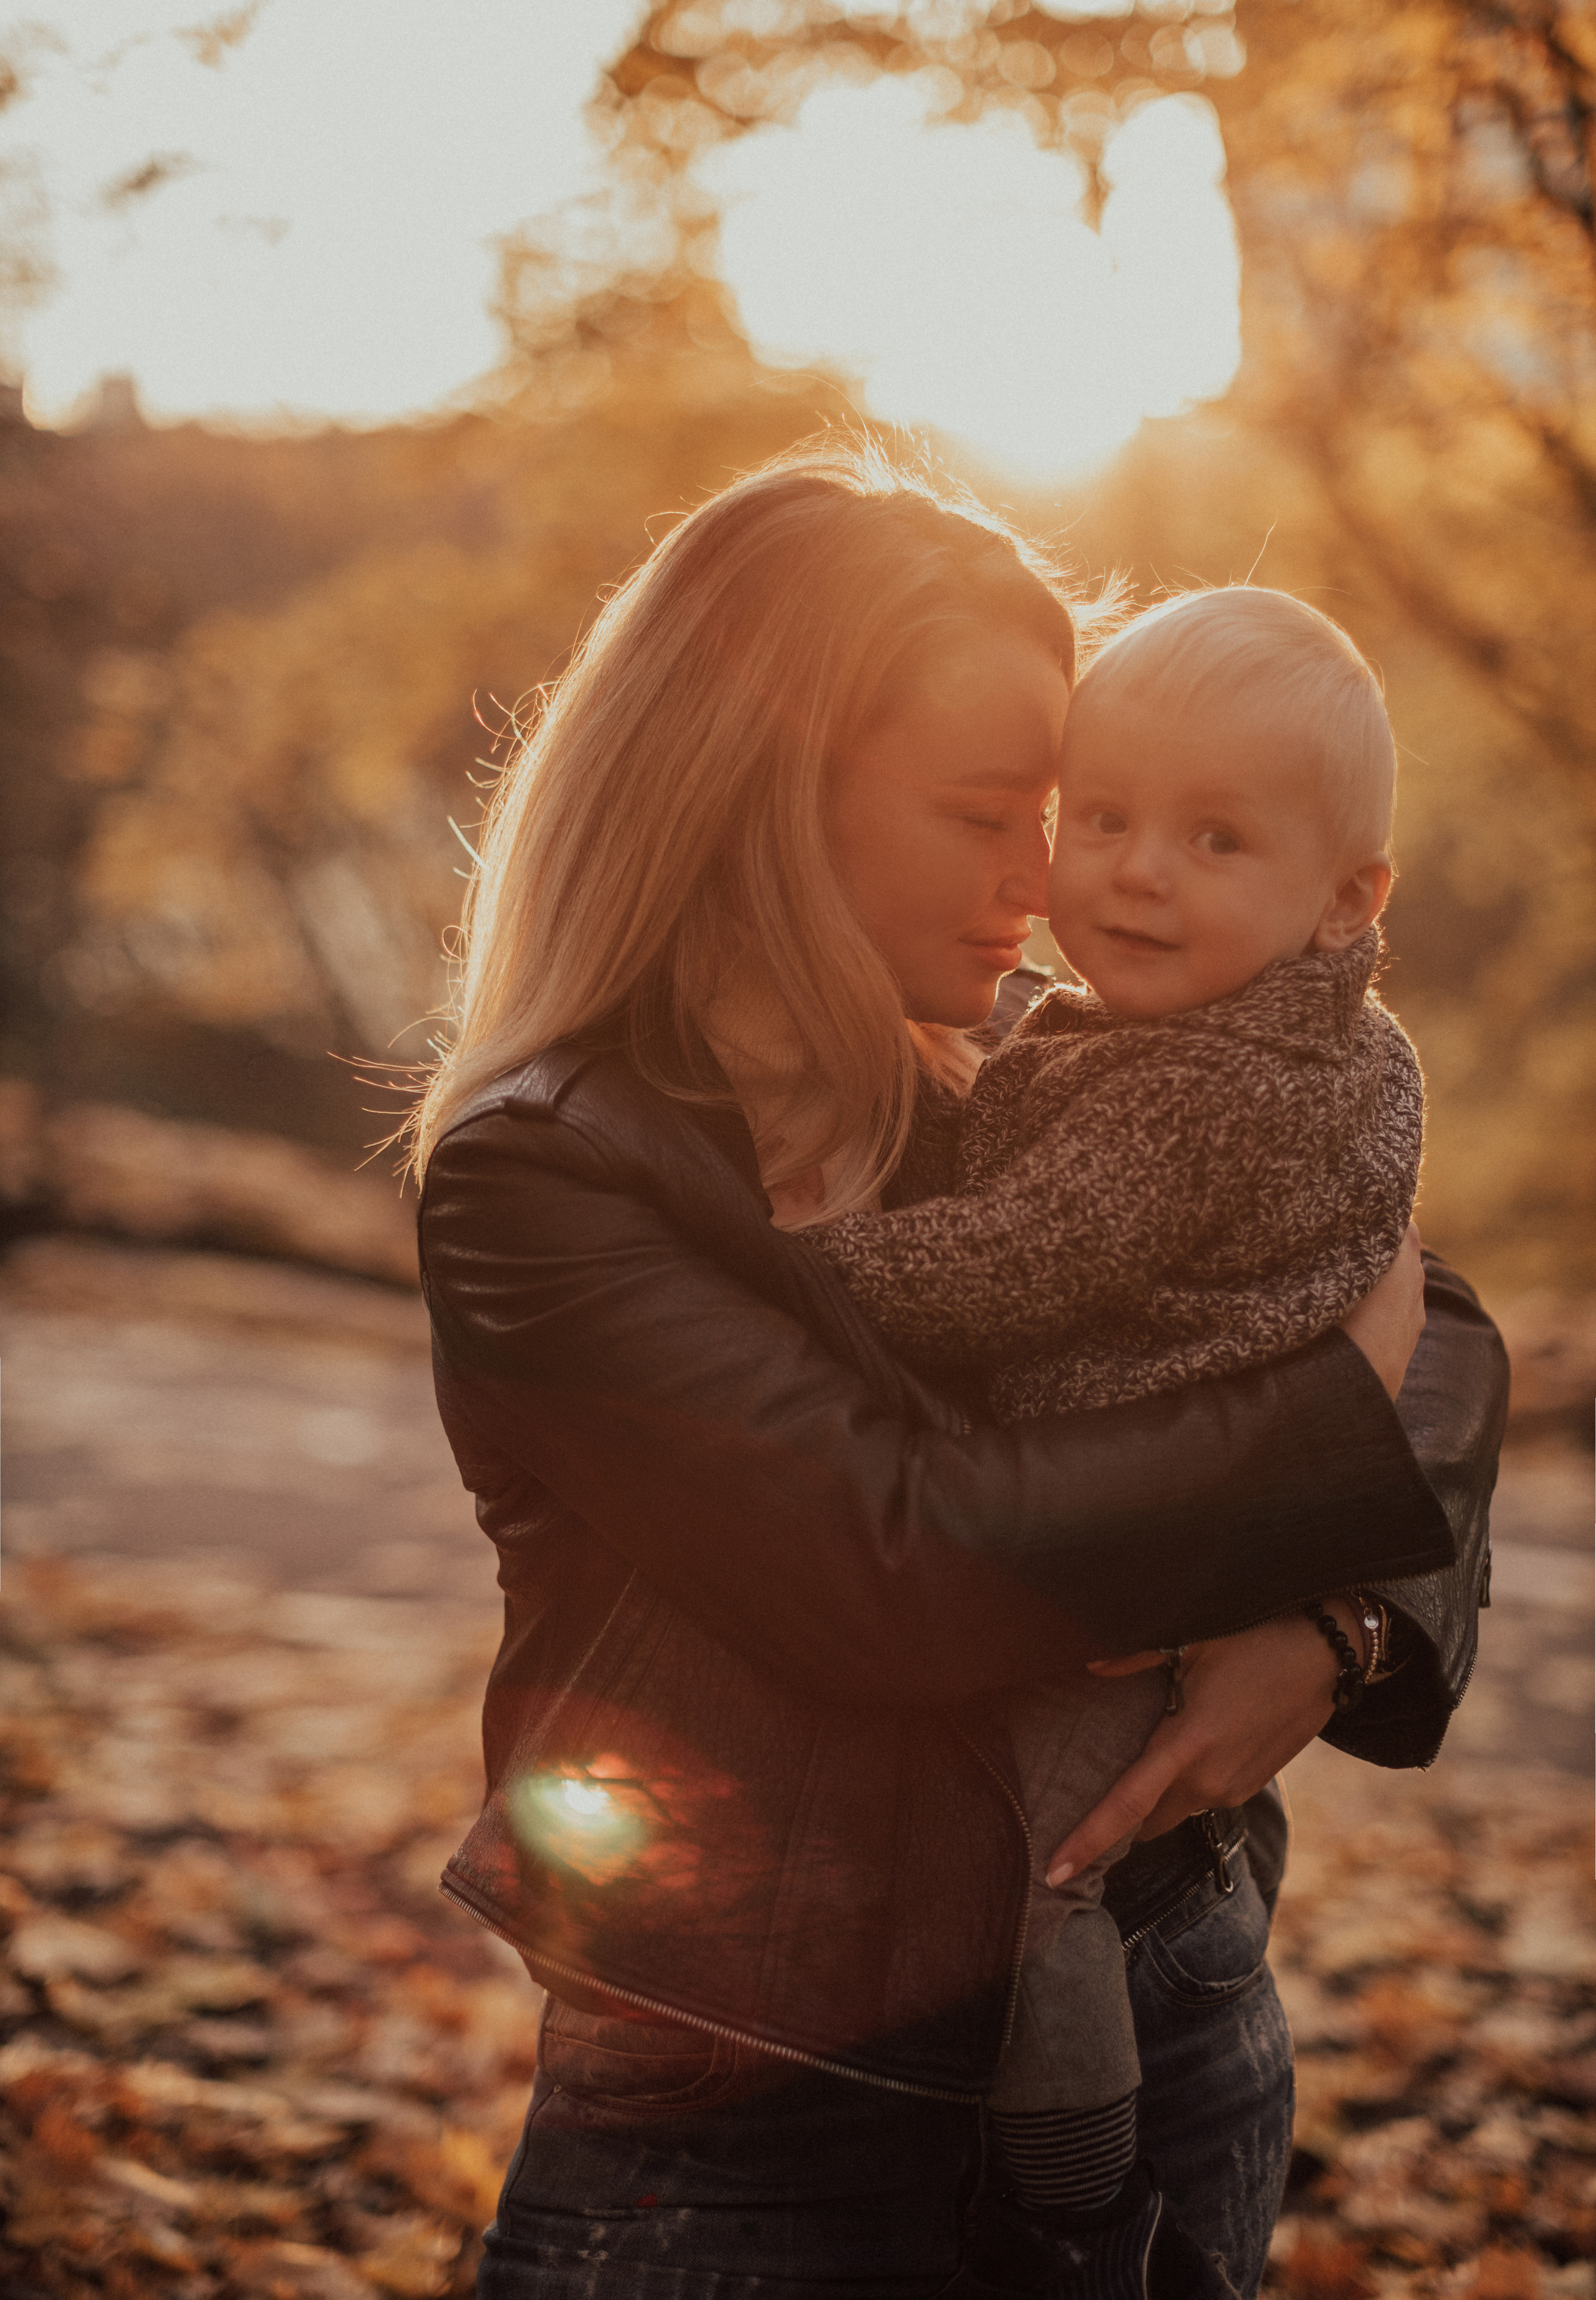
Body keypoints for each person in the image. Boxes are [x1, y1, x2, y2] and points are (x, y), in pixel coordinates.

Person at [411, 448, 1506, 2300]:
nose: (1053, 878)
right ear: (767, 796)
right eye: (998, 813)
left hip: (1166, 1999)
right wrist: (1336, 1428)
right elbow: (899, 1572)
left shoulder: (1030, 1050)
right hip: (752, 2086)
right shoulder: (556, 1168)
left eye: (1056, 812)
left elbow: (1436, 1329)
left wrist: (1337, 1633)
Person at [800, 585, 1424, 2275]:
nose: (1133, 872)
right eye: (1107, 819)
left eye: (1215, 839)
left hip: (1130, 1587)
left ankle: (1068, 2161)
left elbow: (1011, 1269)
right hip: (1179, 1528)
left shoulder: (1199, 1090)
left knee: (1061, 1849)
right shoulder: (1277, 1040)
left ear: (1342, 899)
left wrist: (791, 1263)